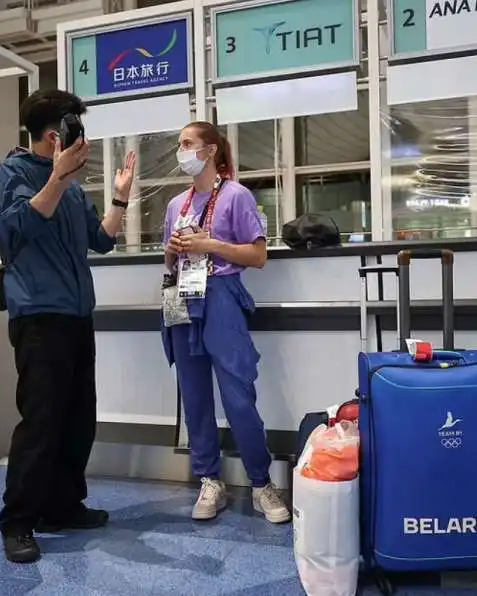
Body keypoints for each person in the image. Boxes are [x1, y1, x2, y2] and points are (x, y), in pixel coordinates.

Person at [0, 89, 136, 563]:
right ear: (56, 136)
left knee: (78, 418)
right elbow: (16, 228)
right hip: (38, 316)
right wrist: (56, 175)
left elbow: (102, 240)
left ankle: (62, 506)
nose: (84, 140)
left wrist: (119, 196)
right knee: (41, 422)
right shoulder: (12, 173)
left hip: (76, 315)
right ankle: (18, 522)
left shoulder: (73, 188)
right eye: (76, 129)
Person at [162, 121, 290, 524]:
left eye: (187, 143)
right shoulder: (175, 206)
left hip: (220, 298)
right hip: (184, 300)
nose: (181, 150)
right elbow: (171, 262)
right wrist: (172, 252)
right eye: (179, 143)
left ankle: (260, 482)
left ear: (211, 150)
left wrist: (210, 245)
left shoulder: (236, 196)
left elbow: (258, 256)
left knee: (238, 395)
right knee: (195, 397)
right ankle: (209, 480)